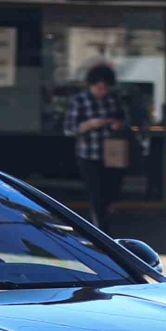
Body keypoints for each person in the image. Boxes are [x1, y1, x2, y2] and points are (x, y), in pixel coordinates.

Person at [67, 62, 131, 232]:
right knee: (96, 195)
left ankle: (101, 222)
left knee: (112, 193)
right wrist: (91, 124)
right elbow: (69, 129)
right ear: (91, 85)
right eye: (99, 88)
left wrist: (118, 124)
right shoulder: (80, 100)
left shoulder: (114, 99)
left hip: (113, 155)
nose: (102, 92)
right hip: (88, 154)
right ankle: (102, 230)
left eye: (105, 88)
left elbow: (126, 122)